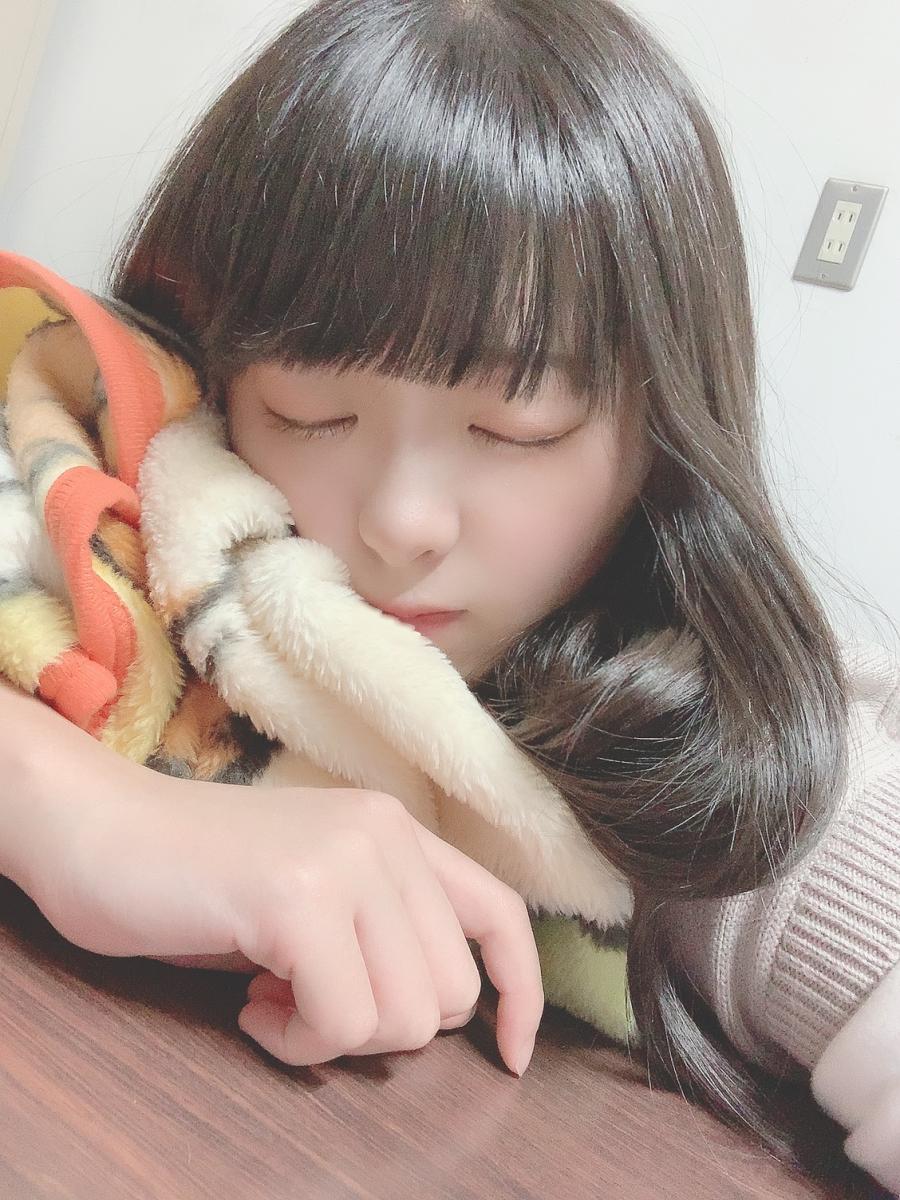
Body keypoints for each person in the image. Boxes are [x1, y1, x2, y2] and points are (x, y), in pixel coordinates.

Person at [1, 0, 898, 1189]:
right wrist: (81, 811)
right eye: (311, 411)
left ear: (664, 432)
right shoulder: (125, 491)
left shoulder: (736, 765)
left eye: (518, 427)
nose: (403, 521)